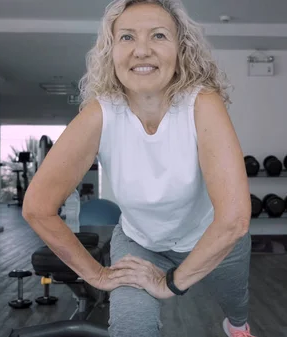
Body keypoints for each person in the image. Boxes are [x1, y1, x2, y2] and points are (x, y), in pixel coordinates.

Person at [22, 0, 255, 336]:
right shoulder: (100, 114)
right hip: (139, 242)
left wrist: (170, 284)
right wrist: (97, 275)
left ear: (181, 49)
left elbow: (234, 219)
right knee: (132, 326)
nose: (142, 50)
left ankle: (237, 327)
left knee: (236, 307)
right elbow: (37, 208)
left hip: (212, 237)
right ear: (111, 51)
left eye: (158, 36)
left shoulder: (201, 103)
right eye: (127, 37)